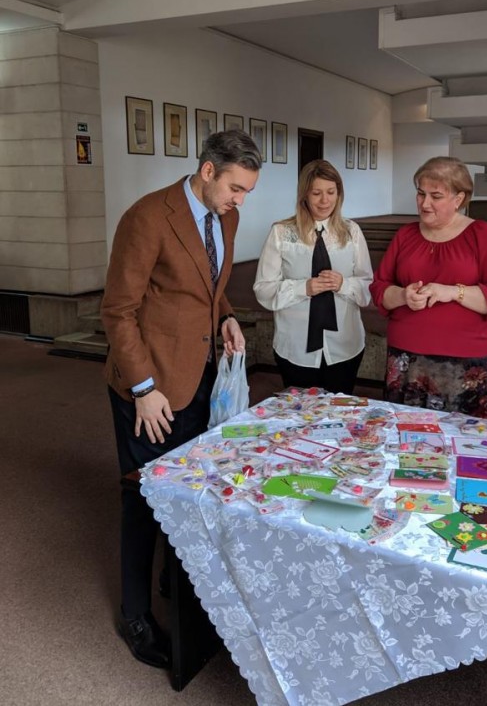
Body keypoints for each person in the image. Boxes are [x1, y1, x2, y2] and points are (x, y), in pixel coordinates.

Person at [101, 129, 262, 669]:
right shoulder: (147, 217)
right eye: (236, 189)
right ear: (208, 170)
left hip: (200, 380)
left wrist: (228, 317)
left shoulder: (228, 216)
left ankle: (178, 581)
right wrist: (144, 388)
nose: (241, 202)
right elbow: (118, 311)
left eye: (247, 192)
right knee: (143, 500)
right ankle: (136, 616)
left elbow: (211, 291)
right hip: (150, 389)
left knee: (190, 492)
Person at [370, 156, 487, 418]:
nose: (424, 203)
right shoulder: (406, 235)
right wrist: (404, 296)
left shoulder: (481, 235)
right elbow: (379, 288)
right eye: (420, 193)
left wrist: (452, 292)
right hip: (407, 360)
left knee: (466, 446)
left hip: (464, 365)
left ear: (458, 199)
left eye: (435, 196)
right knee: (406, 442)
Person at [254, 159, 373, 394]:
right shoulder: (281, 232)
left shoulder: (352, 232)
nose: (324, 200)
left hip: (344, 346)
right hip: (296, 348)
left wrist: (344, 284)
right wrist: (303, 288)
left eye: (331, 192)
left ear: (339, 194)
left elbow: (367, 288)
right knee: (299, 418)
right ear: (304, 195)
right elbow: (263, 290)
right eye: (316, 193)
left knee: (341, 412)